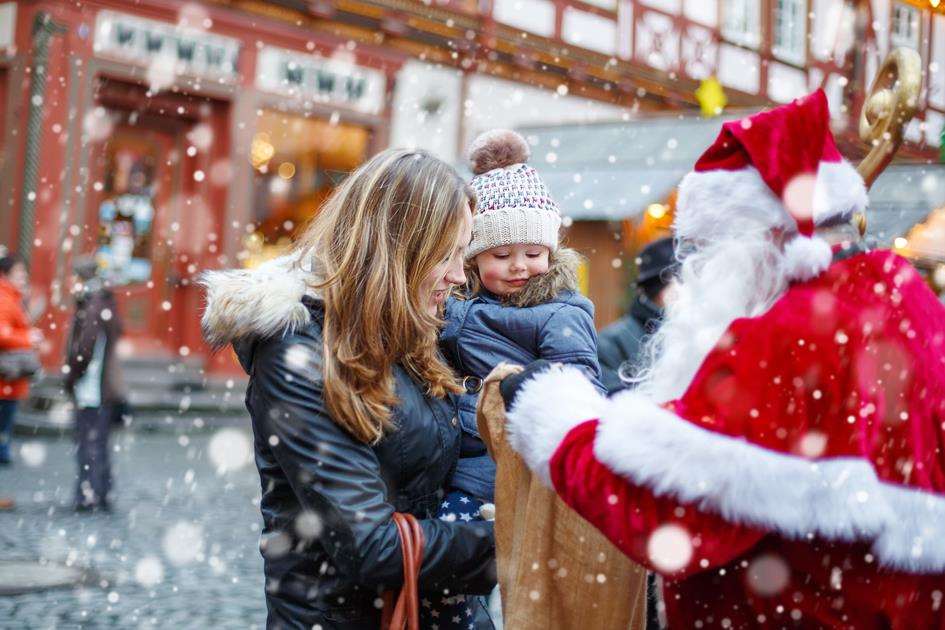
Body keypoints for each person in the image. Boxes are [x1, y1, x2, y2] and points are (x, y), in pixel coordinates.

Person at [495, 90, 945, 626]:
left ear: (762, 236)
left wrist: (554, 413)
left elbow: (669, 513)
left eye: (710, 251)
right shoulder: (907, 300)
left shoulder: (790, 331)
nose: (699, 275)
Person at [201, 149, 496, 629]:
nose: (460, 275)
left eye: (462, 254)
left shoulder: (408, 333)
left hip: (429, 609)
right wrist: (506, 542)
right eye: (447, 255)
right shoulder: (296, 354)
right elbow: (369, 545)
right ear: (397, 250)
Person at [437, 129, 603, 625]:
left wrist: (518, 386)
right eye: (501, 255)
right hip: (455, 453)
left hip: (504, 457)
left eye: (532, 252)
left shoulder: (561, 311)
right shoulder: (457, 299)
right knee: (454, 583)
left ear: (550, 250)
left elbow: (580, 382)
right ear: (474, 259)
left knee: (490, 575)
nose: (519, 267)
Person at [64, 258, 124, 511]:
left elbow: (84, 350)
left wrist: (71, 375)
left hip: (92, 388)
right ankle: (102, 491)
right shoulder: (105, 303)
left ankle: (88, 494)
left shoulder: (92, 306)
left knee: (89, 442)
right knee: (98, 441)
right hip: (104, 386)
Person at [597, 236, 676, 393]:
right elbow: (614, 404)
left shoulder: (701, 335)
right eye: (683, 280)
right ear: (661, 289)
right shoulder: (609, 343)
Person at [0, 254, 42, 471]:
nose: (24, 276)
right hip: (5, 378)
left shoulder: (12, 297)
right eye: (19, 272)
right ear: (5, 274)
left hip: (10, 378)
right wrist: (27, 338)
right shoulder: (4, 297)